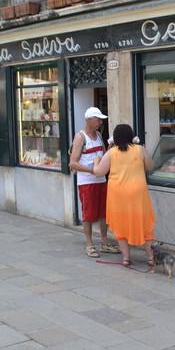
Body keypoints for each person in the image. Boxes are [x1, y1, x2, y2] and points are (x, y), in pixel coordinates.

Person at [92, 124, 157, 270]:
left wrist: (96, 161)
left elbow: (99, 172)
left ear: (114, 138)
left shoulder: (111, 153)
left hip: (118, 194)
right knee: (144, 224)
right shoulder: (140, 149)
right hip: (138, 193)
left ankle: (126, 258)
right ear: (131, 136)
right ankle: (151, 258)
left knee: (120, 225)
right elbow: (151, 166)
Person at [69, 107, 120, 258]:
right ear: (88, 120)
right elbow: (73, 163)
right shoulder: (80, 137)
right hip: (87, 182)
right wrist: (93, 171)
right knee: (89, 214)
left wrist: (110, 149)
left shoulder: (98, 135)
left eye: (100, 119)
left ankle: (104, 242)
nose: (100, 122)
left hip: (101, 180)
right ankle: (89, 244)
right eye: (97, 119)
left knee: (104, 212)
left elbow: (103, 156)